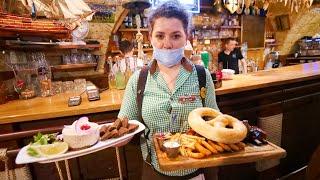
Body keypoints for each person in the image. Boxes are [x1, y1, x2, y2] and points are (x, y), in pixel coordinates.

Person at [118, 1, 219, 179]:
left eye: (175, 36)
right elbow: (124, 127)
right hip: (155, 171)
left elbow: (214, 121)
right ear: (150, 37)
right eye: (160, 36)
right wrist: (107, 137)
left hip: (196, 171)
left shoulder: (202, 77)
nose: (167, 44)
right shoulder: (138, 80)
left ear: (186, 37)